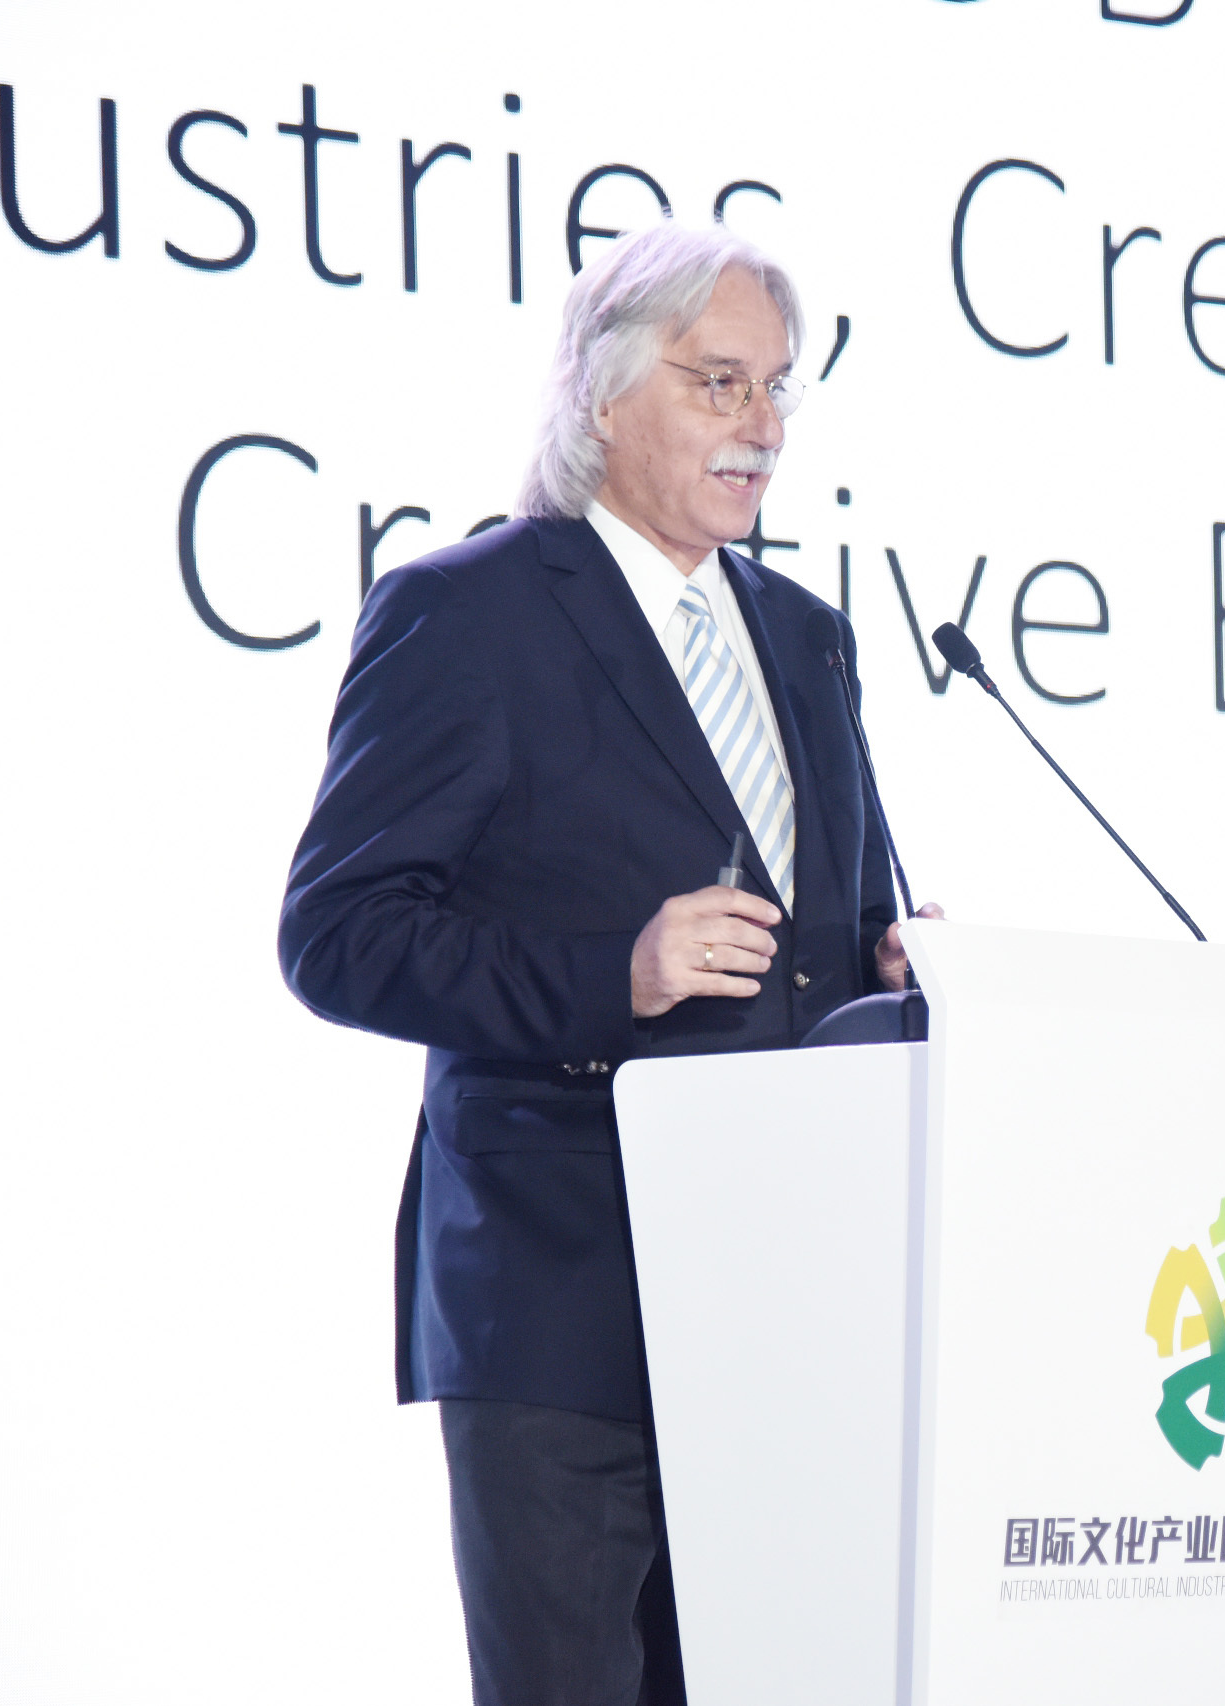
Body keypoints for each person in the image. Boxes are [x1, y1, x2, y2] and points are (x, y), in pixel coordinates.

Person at [278, 218, 932, 1705]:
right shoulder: (471, 613)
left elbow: (823, 943)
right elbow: (338, 931)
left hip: (786, 1308)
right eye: (720, 382)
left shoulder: (810, 639)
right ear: (602, 392)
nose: (763, 426)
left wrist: (891, 971)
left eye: (778, 387)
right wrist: (611, 976)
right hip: (564, 1303)